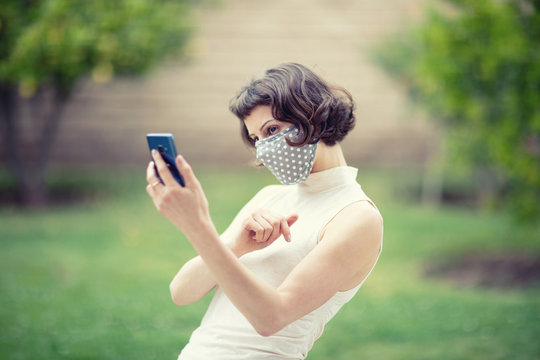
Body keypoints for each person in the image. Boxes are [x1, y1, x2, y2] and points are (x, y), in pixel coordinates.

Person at [145, 63, 383, 359]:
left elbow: (271, 318)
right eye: (257, 138)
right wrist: (235, 245)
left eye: (272, 130)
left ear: (314, 117)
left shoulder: (357, 216)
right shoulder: (269, 197)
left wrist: (197, 225)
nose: (264, 148)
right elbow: (182, 292)